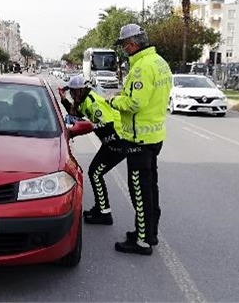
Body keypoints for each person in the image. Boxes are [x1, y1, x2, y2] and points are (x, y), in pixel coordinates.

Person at [107, 24, 173, 255]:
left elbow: (135, 103)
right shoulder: (159, 62)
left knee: (140, 191)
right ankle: (148, 232)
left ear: (133, 44)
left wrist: (114, 102)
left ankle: (143, 241)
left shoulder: (142, 68)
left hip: (139, 140)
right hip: (153, 136)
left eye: (125, 46)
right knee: (149, 188)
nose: (124, 50)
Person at [60, 74, 126, 225]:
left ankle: (104, 214)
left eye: (75, 92)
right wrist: (63, 99)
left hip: (118, 142)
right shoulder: (83, 101)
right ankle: (101, 209)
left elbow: (107, 125)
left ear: (83, 90)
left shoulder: (94, 102)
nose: (73, 94)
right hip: (110, 143)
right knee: (94, 173)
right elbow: (74, 113)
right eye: (71, 92)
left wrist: (86, 127)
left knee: (95, 174)